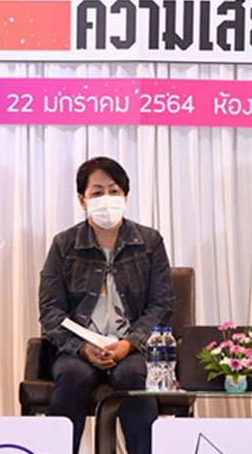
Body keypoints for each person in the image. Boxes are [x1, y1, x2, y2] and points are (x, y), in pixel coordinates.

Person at [39, 157, 174, 454]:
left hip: (132, 349)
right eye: (97, 192)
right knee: (72, 375)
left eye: (114, 191)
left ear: (125, 196)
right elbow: (50, 310)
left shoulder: (149, 242)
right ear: (82, 199)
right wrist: (82, 348)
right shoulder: (64, 244)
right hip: (78, 350)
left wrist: (130, 343)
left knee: (133, 376)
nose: (107, 199)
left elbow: (162, 304)